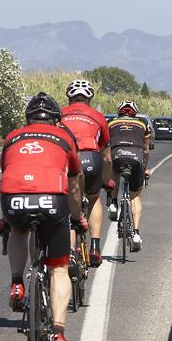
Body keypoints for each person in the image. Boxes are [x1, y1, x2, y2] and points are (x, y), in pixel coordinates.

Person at [0, 92, 86, 341]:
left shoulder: (12, 137)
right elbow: (73, 186)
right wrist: (78, 218)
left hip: (13, 197)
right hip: (51, 199)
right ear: (56, 120)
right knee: (59, 267)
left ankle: (16, 283)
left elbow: (7, 171)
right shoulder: (65, 138)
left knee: (17, 230)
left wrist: (7, 216)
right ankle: (58, 332)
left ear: (28, 119)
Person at [59, 79, 112, 266]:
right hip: (92, 157)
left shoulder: (59, 115)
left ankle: (71, 253)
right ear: (90, 99)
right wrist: (107, 180)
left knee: (68, 205)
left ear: (69, 98)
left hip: (67, 158)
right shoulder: (98, 116)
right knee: (94, 198)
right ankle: (95, 248)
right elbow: (107, 157)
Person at [106, 100, 151, 252]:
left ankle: (113, 202)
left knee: (114, 172)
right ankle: (136, 234)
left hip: (117, 154)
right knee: (135, 195)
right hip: (136, 157)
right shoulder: (143, 123)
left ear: (119, 111)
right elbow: (146, 150)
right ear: (135, 112)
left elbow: (105, 146)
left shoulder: (111, 123)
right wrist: (145, 168)